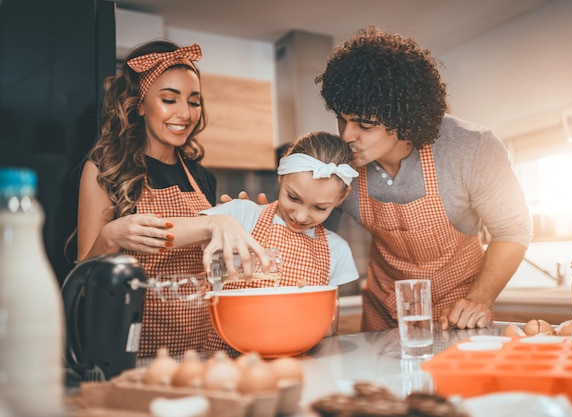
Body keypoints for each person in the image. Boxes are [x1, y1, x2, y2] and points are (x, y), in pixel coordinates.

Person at [314, 26, 532, 332]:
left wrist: (479, 299)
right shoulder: (338, 166)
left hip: (458, 310)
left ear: (404, 119)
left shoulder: (471, 148)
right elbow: (309, 237)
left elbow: (513, 230)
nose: (347, 135)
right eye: (342, 118)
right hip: (384, 307)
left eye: (364, 124)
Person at [76, 40, 264, 358]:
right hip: (137, 352)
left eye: (194, 102)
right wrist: (109, 238)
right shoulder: (104, 171)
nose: (185, 114)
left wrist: (241, 221)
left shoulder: (201, 176)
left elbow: (213, 270)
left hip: (205, 348)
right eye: (169, 99)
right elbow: (82, 278)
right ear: (138, 104)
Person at [198, 131, 360, 352]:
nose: (301, 217)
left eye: (320, 208)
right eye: (293, 198)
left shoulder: (336, 249)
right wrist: (214, 223)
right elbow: (176, 233)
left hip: (301, 367)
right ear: (280, 176)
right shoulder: (242, 216)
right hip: (228, 363)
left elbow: (329, 332)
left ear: (341, 199)